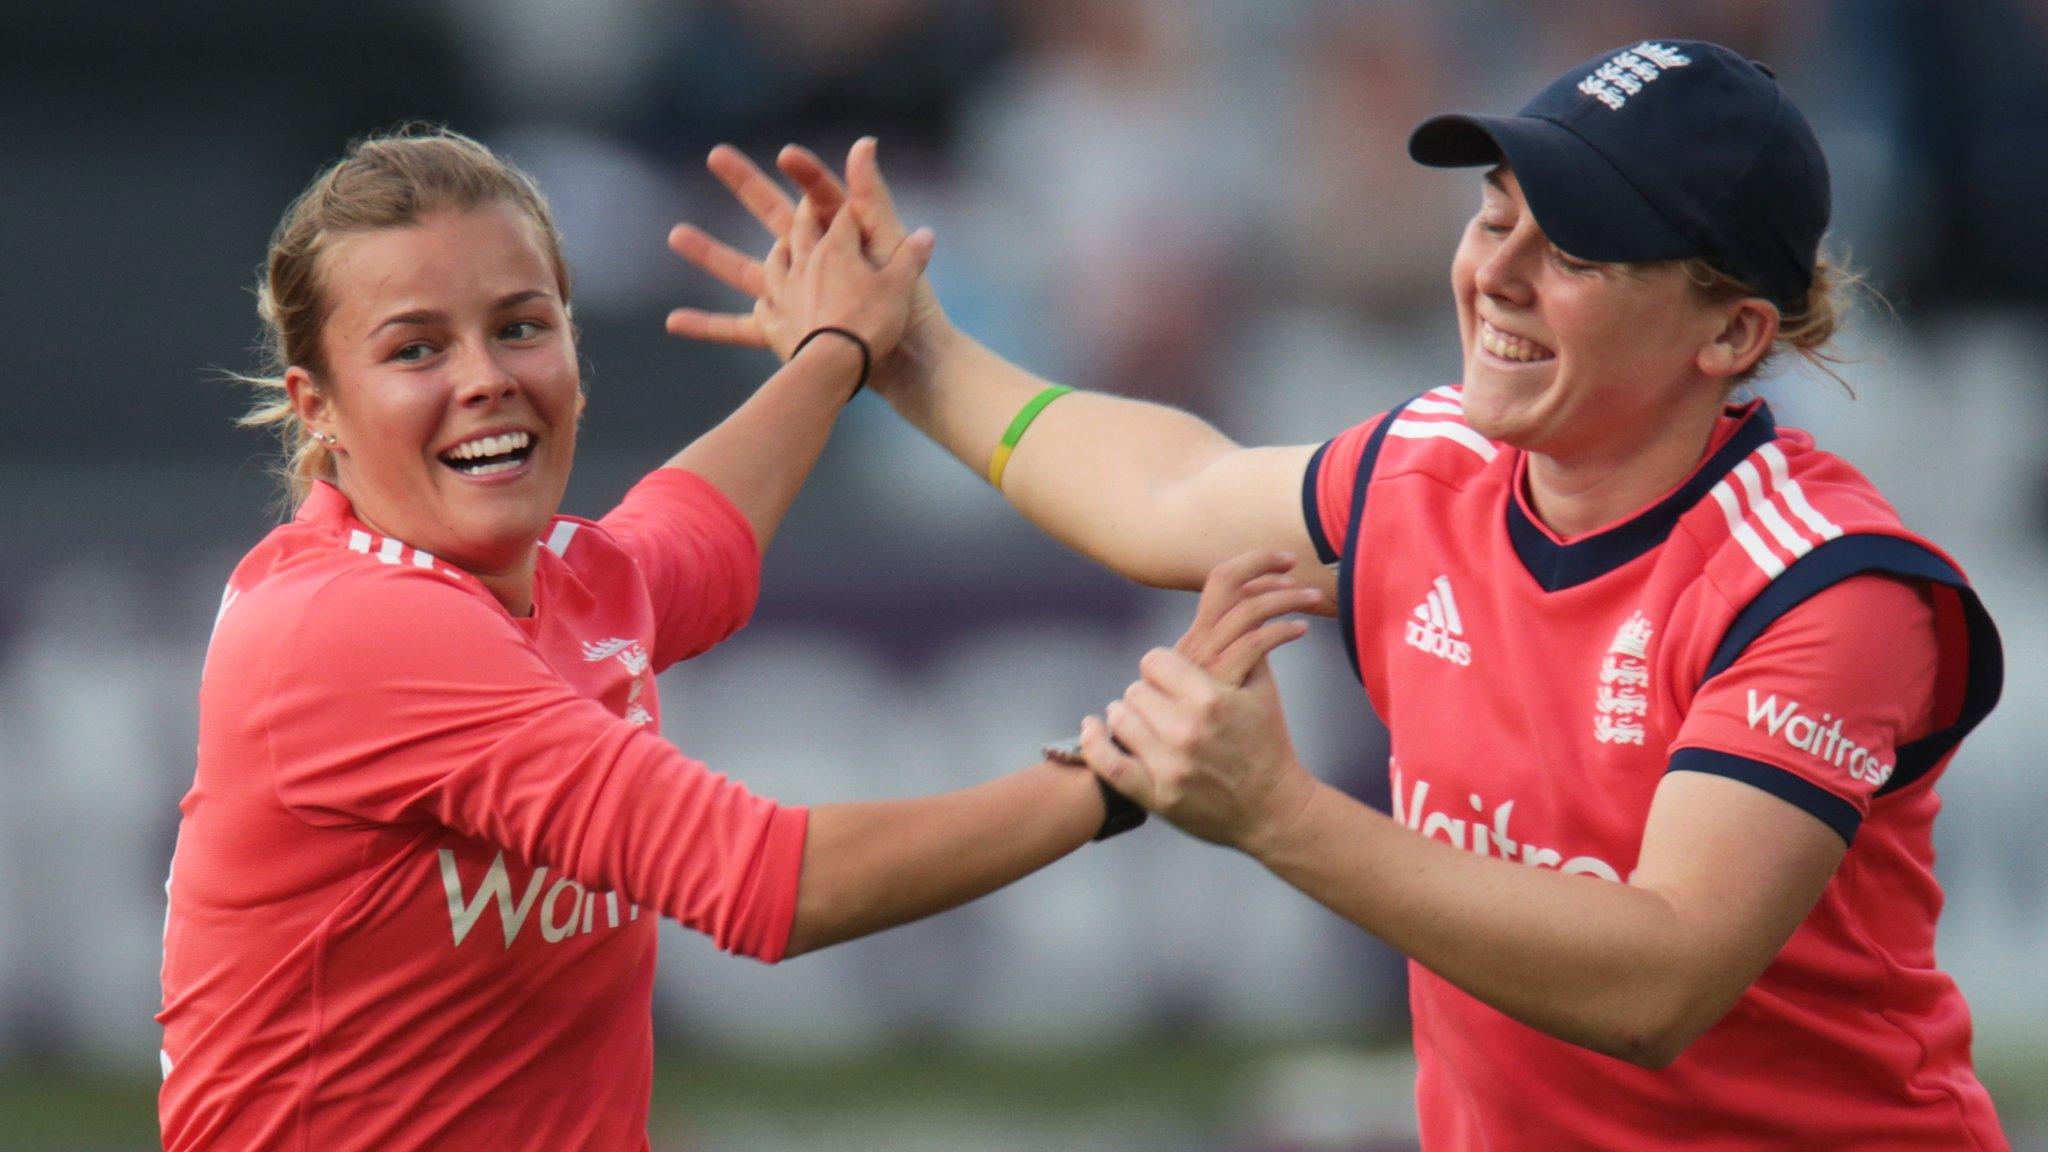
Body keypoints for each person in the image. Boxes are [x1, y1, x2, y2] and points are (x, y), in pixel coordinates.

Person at [675, 40, 2011, 1151]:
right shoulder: (1430, 466)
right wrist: (907, 349)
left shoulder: (1825, 587)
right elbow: (1162, 494)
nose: (1495, 272)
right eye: (1495, 215)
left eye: (1579, 252)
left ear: (1732, 335)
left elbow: (1658, 978)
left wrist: (1282, 818)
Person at [156, 125, 1313, 1152]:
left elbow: (688, 537)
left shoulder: (535, 579)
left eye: (520, 327)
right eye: (416, 350)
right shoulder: (356, 631)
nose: (486, 380)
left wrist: (838, 350)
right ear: (318, 409)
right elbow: (772, 885)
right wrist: (1121, 774)